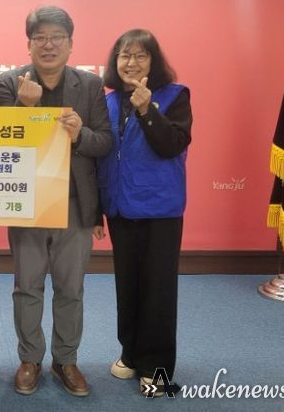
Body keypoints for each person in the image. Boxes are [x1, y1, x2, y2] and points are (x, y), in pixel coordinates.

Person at [0, 6, 112, 396]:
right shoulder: (9, 83)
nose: (48, 45)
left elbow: (104, 142)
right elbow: (2, 141)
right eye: (40, 38)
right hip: (27, 203)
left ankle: (66, 360)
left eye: (56, 37)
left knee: (70, 288)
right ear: (29, 44)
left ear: (70, 44)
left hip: (75, 204)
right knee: (27, 286)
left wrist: (80, 136)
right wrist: (24, 107)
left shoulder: (90, 85)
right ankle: (30, 359)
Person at [97, 29, 192, 396]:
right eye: (124, 55)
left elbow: (172, 145)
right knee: (128, 286)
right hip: (120, 208)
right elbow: (101, 157)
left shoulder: (175, 96)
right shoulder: (106, 101)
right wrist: (97, 210)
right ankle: (131, 353)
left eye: (140, 55)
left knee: (158, 291)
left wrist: (146, 110)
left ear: (153, 61)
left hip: (159, 209)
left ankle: (158, 367)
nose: (131, 63)